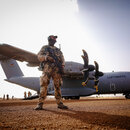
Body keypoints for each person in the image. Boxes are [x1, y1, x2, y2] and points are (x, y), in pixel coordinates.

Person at [35, 35, 68, 110]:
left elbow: (62, 58)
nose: (55, 40)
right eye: (53, 38)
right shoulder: (45, 48)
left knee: (57, 86)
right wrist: (47, 58)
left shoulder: (58, 50)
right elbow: (39, 56)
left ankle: (60, 104)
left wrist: (62, 66)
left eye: (55, 39)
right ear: (49, 39)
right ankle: (40, 104)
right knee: (44, 85)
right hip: (47, 68)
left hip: (57, 70)